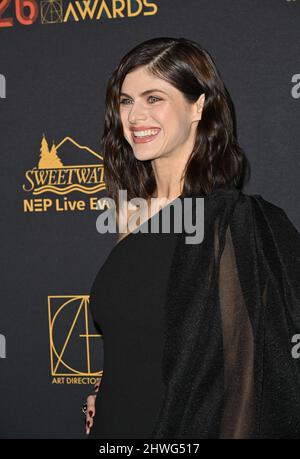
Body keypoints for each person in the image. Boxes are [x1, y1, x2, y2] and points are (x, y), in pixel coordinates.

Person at [83, 37, 300, 439]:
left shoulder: (231, 221)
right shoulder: (129, 214)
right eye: (125, 100)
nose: (134, 115)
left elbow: (245, 379)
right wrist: (104, 390)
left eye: (154, 98)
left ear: (198, 105)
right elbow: (134, 339)